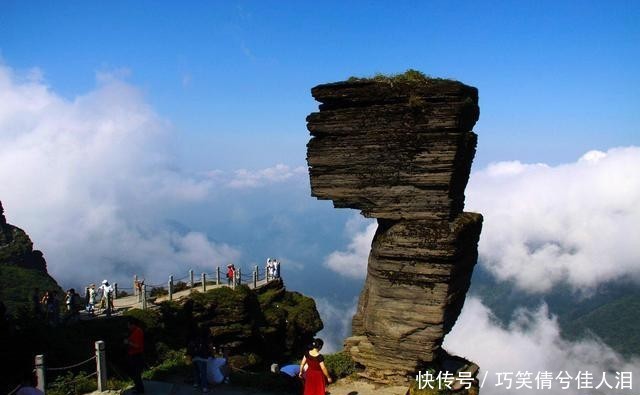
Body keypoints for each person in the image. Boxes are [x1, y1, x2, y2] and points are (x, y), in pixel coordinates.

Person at [125, 318, 145, 393]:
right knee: (134, 373)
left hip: (137, 355)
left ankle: (140, 390)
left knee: (136, 374)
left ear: (132, 325)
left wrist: (128, 342)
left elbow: (138, 345)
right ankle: (137, 387)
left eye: (129, 325)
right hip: (133, 355)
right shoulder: (134, 331)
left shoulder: (138, 332)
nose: (128, 327)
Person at [187, 328, 211, 393]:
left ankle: (196, 383)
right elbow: (208, 349)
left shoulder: (195, 339)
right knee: (203, 373)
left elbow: (190, 348)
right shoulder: (205, 340)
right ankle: (204, 387)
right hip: (202, 358)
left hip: (194, 357)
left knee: (196, 372)